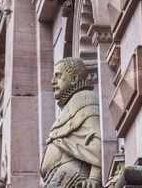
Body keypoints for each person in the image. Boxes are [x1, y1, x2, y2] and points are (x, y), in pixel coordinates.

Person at [41, 58, 102, 188]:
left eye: (58, 76)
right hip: (59, 177)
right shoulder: (71, 103)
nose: (52, 82)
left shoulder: (85, 97)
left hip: (74, 175)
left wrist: (94, 177)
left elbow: (97, 137)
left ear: (73, 79)